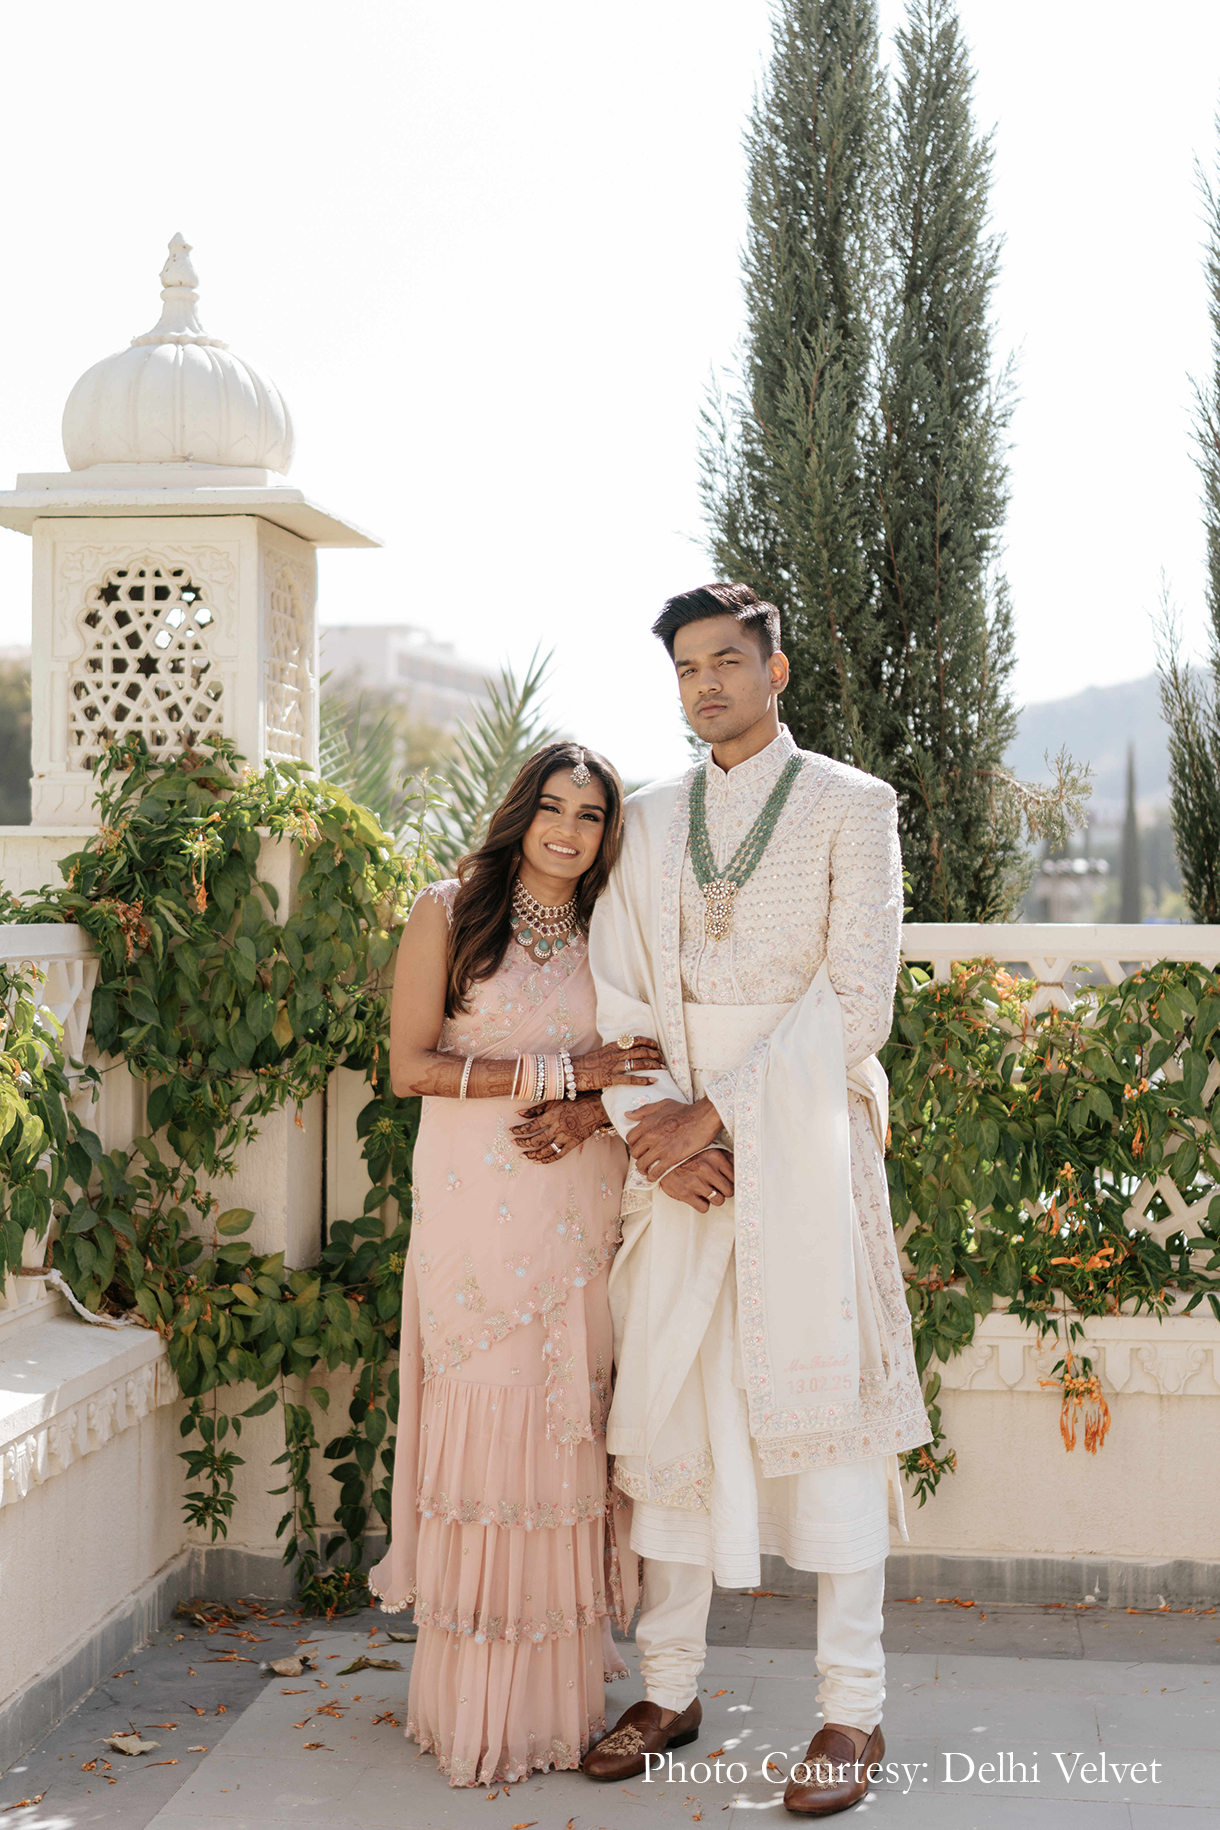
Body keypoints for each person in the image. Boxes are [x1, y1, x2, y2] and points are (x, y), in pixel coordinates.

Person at [582, 585, 931, 1816]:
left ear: (774, 672)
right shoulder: (645, 819)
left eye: (726, 661)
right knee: (672, 1415)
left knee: (823, 1423)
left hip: (802, 1146)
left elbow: (858, 1002)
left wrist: (715, 1116)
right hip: (677, 1161)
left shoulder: (851, 804)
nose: (705, 685)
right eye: (686, 668)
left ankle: (850, 1712)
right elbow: (618, 995)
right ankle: (668, 1688)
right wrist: (658, 1139)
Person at [369, 740, 665, 1789]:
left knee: (562, 1434)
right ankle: (476, 1714)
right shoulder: (448, 914)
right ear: (519, 811)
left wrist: (589, 1106)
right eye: (552, 807)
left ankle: (555, 1705)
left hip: (577, 1215)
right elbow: (410, 1066)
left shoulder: (614, 929)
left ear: (607, 833)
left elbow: (645, 1062)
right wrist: (559, 1070)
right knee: (488, 1423)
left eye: (590, 815)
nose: (567, 831)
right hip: (473, 1224)